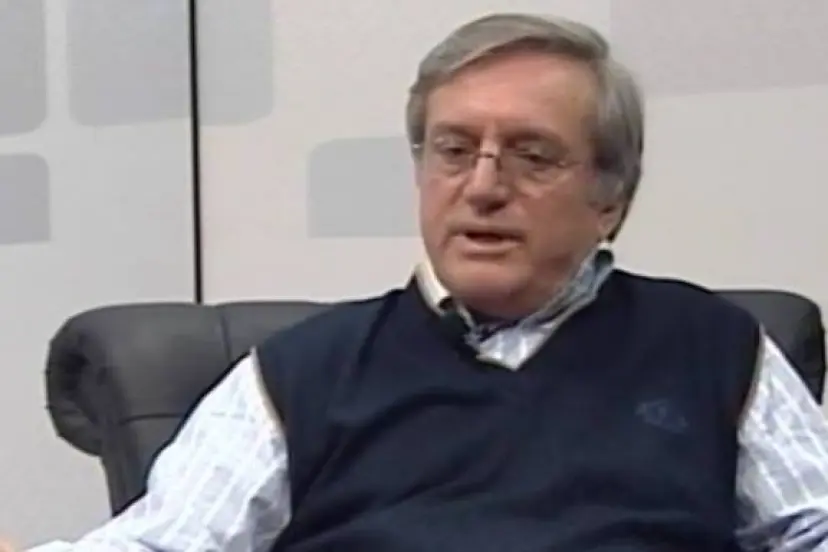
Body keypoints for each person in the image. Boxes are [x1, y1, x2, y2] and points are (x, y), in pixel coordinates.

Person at [9, 11, 828, 552]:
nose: (483, 187)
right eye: (453, 150)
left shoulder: (717, 350)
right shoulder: (300, 375)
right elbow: (163, 543)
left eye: (532, 156)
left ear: (610, 197)